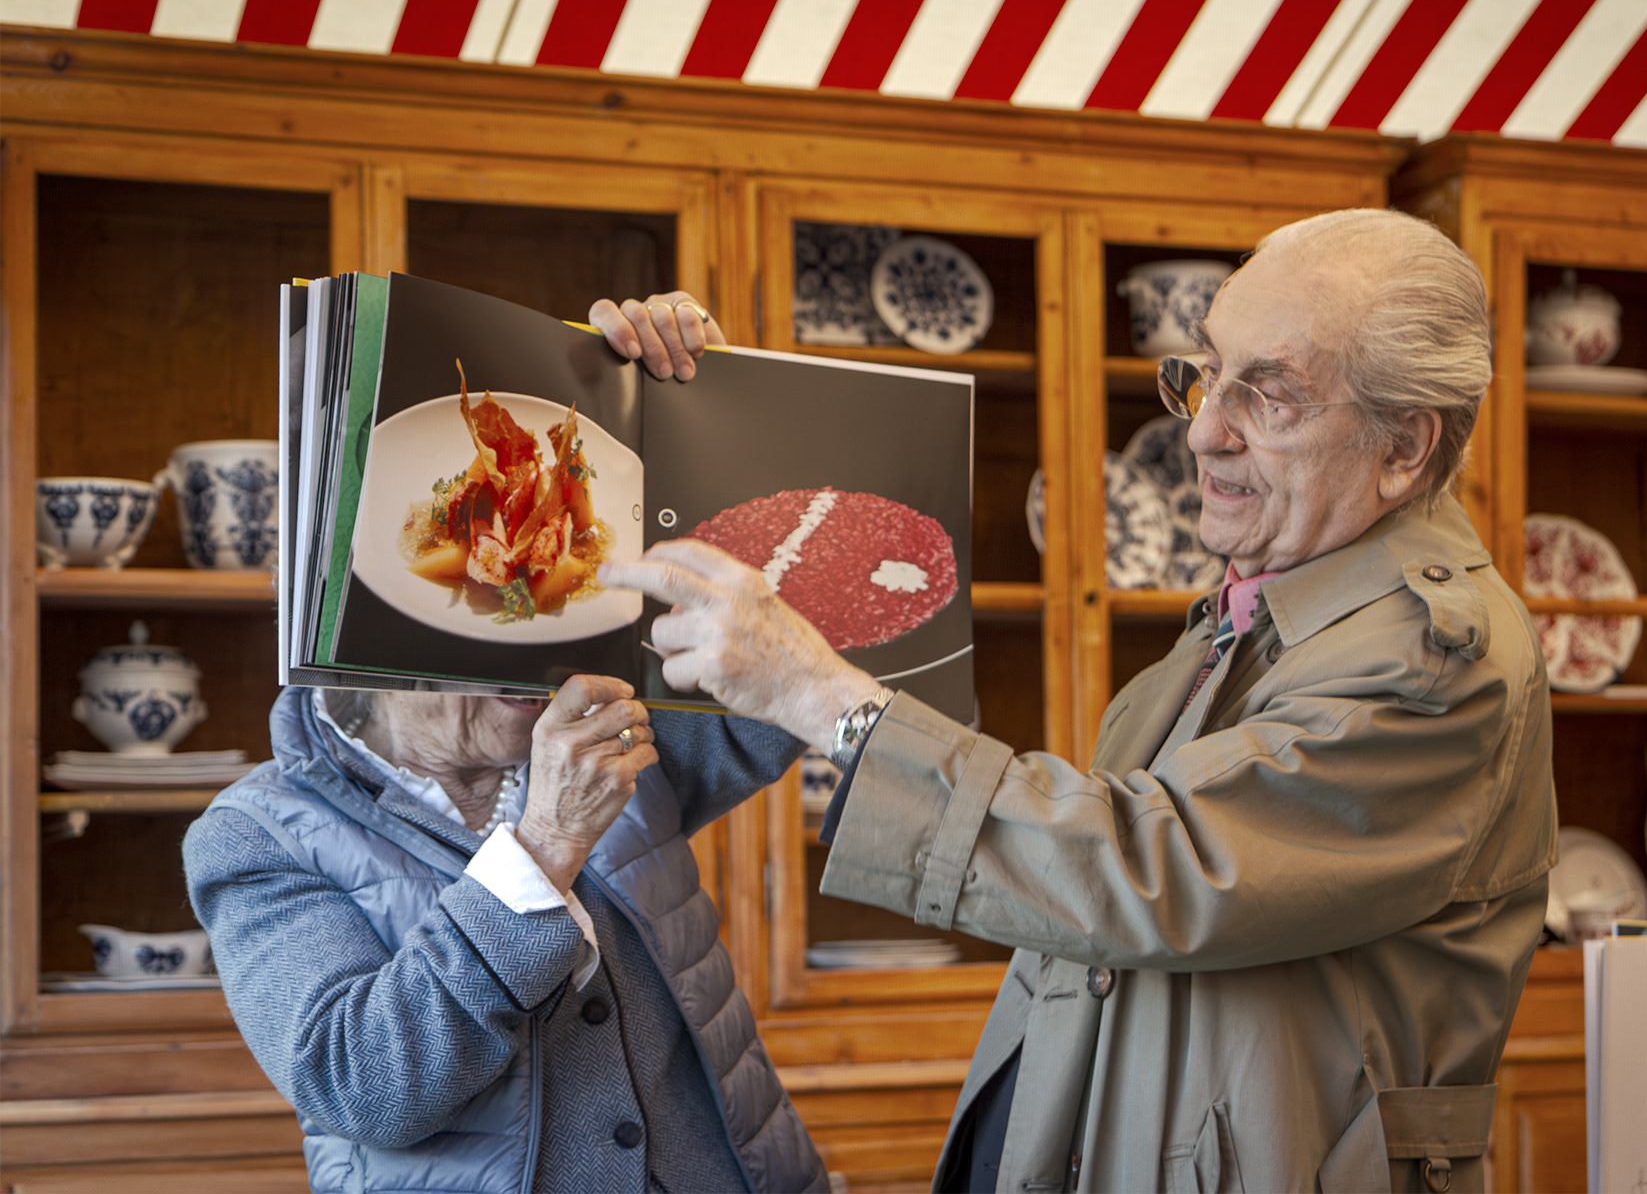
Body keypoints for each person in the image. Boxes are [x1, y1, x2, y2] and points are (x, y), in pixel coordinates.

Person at [601, 209, 1557, 1193]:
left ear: (1404, 447)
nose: (1204, 429)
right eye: (1206, 373)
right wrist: (710, 428)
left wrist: (827, 698)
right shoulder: (1251, 613)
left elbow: (1153, 867)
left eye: (1269, 397)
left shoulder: (1433, 657)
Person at [185, 293, 829, 1194]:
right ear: (370, 639)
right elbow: (363, 1085)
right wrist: (545, 848)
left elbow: (785, 679)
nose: (545, 664)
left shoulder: (607, 725)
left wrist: (709, 427)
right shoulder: (258, 834)